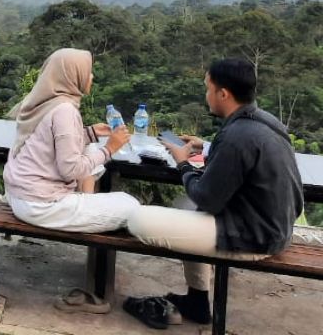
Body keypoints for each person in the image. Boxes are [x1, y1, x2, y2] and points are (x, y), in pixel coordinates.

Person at [123, 58, 304, 329]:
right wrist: (206, 147)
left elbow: (206, 197)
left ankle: (197, 301)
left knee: (137, 219)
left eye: (208, 88)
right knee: (184, 204)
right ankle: (197, 300)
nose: (206, 95)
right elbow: (241, 161)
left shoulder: (236, 136)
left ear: (223, 93)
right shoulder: (263, 121)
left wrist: (182, 162)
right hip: (274, 227)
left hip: (254, 236)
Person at [3, 48, 137, 233]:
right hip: (41, 205)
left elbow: (46, 144)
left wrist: (89, 134)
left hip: (18, 195)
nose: (91, 76)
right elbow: (70, 170)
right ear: (72, 75)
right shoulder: (65, 110)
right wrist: (109, 149)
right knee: (131, 205)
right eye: (87, 71)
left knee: (89, 149)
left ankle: (85, 200)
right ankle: (87, 206)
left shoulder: (43, 101)